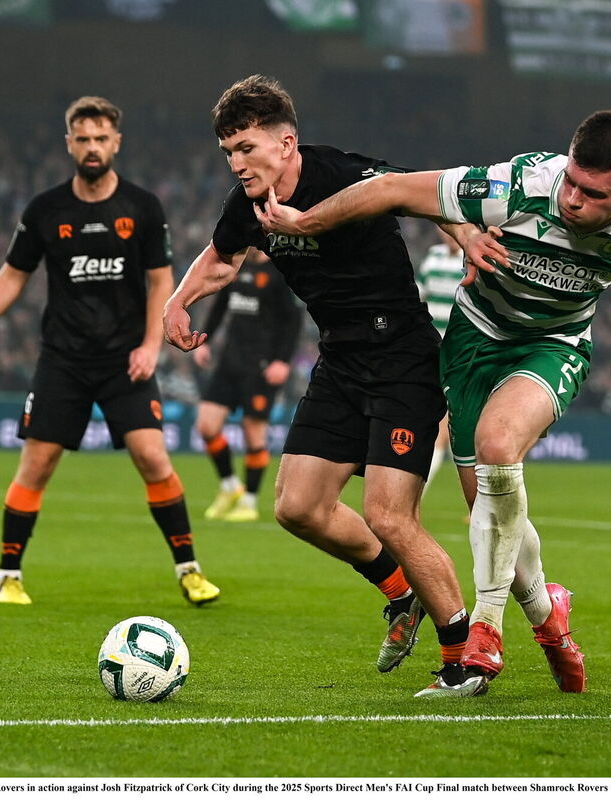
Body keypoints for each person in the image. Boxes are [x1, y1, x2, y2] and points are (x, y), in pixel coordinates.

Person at [257, 110, 611, 694]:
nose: (573, 200)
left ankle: (484, 633)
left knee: (499, 447)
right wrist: (304, 222)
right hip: (475, 342)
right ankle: (550, 620)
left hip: (551, 345)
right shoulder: (516, 186)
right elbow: (392, 188)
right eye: (571, 181)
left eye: (593, 193)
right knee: (489, 504)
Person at [163, 75, 486, 698]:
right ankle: (401, 597)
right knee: (297, 507)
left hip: (403, 358)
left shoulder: (342, 173)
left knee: (390, 515)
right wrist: (179, 302)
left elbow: (430, 194)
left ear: (286, 143)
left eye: (247, 148)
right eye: (228, 152)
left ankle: (461, 657)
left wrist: (468, 236)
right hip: (341, 360)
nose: (237, 163)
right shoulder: (247, 203)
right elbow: (222, 257)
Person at [0, 96, 220, 608]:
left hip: (126, 360)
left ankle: (190, 570)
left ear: (116, 143)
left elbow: (161, 280)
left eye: (101, 139)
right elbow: (12, 275)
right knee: (39, 463)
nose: (92, 148)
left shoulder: (141, 206)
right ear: (69, 143)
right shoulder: (46, 210)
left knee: (152, 457)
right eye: (83, 139)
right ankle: (8, 574)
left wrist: (150, 344)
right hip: (63, 360)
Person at [194, 248, 303, 523]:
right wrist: (204, 340)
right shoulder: (236, 267)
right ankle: (230, 486)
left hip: (262, 366)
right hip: (230, 362)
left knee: (253, 430)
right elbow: (220, 306)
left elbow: (294, 320)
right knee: (207, 425)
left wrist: (282, 361)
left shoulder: (280, 271)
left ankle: (250, 501)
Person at [414, 229, 464, 494]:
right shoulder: (433, 257)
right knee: (428, 422)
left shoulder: (473, 256)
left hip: (458, 353)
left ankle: (415, 495)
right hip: (428, 350)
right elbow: (417, 297)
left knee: (442, 426)